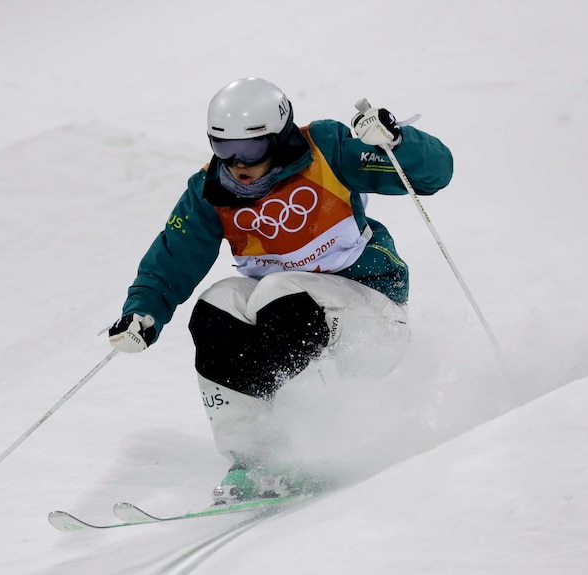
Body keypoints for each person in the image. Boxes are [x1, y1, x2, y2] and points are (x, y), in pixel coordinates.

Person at [108, 77, 453, 503]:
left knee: (279, 291)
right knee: (220, 305)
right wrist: (143, 311)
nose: (236, 163)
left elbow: (436, 173)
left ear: (280, 136)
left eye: (250, 149)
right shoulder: (211, 191)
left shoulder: (326, 150)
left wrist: (396, 143)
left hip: (371, 322)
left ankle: (313, 442)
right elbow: (171, 261)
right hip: (290, 316)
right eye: (223, 148)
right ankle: (253, 455)